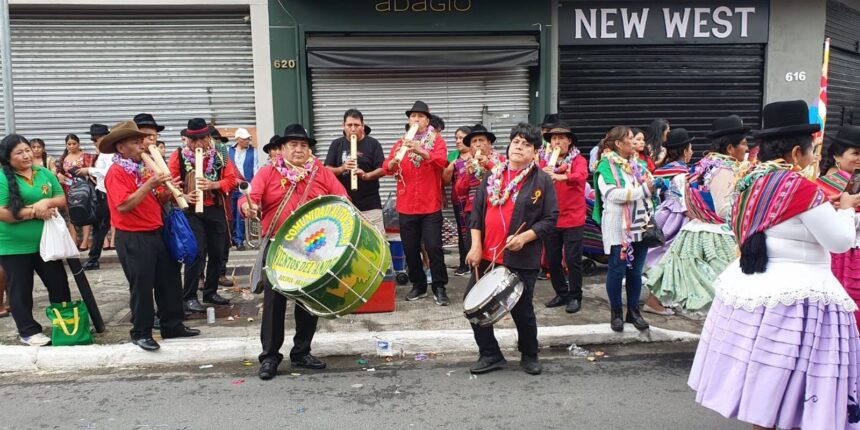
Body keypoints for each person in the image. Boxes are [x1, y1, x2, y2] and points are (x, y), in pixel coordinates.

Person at [689, 100, 860, 430]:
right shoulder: (801, 188)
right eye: (811, 151)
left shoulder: (748, 180)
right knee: (794, 392)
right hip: (798, 299)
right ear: (796, 153)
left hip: (752, 290)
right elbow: (838, 241)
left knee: (764, 390)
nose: (812, 158)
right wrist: (846, 209)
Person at [239, 124, 347, 380]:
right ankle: (269, 357)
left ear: (309, 149)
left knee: (309, 302)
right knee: (274, 304)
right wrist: (247, 207)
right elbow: (248, 198)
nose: (299, 149)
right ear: (283, 149)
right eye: (293, 145)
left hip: (312, 249)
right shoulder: (268, 172)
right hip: (278, 246)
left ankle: (301, 352)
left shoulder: (320, 172)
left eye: (303, 145)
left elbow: (342, 199)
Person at [464, 123, 558, 375]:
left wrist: (525, 237)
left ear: (535, 151)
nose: (519, 147)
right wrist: (474, 246)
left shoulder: (542, 180)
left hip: (520, 256)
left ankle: (529, 354)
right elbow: (477, 214)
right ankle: (491, 354)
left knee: (521, 308)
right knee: (473, 305)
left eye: (527, 144)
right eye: (516, 141)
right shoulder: (492, 175)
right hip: (486, 255)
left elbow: (550, 219)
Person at [101, 121, 200, 351]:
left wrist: (168, 190)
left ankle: (172, 325)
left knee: (170, 280)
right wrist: (149, 184)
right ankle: (141, 332)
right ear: (121, 148)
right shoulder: (116, 172)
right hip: (133, 237)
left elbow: (157, 200)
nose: (142, 146)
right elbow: (124, 205)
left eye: (141, 141)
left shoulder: (142, 168)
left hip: (156, 231)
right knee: (142, 286)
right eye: (135, 142)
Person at [645, 116, 750, 314]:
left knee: (675, 267)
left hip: (695, 227)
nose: (746, 148)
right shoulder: (724, 169)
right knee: (725, 279)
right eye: (744, 144)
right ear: (729, 148)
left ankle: (654, 302)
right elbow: (724, 209)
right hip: (716, 234)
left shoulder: (704, 164)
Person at [0, 134, 71, 346]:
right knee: (21, 289)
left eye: (27, 150)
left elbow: (61, 199)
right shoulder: (3, 177)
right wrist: (34, 212)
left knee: (59, 283)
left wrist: (47, 201)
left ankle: (66, 324)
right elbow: (2, 212)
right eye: (19, 153)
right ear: (7, 157)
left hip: (46, 243)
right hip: (14, 246)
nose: (26, 155)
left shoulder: (44, 173)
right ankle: (28, 330)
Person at [168, 118, 238, 312]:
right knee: (196, 252)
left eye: (202, 138)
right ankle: (189, 296)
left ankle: (211, 292)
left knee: (217, 252)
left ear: (208, 137)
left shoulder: (221, 154)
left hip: (215, 208)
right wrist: (182, 195)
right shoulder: (178, 156)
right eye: (194, 139)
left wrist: (214, 185)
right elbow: (170, 185)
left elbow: (232, 180)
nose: (198, 143)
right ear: (188, 140)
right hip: (191, 211)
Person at [383, 101, 449, 305]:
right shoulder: (401, 142)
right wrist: (392, 163)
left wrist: (421, 150)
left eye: (420, 117)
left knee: (433, 247)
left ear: (427, 120)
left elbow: (441, 162)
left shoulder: (437, 140)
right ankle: (418, 285)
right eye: (413, 117)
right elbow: (387, 168)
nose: (416, 120)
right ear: (409, 120)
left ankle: (439, 286)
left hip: (430, 205)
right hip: (407, 205)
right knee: (410, 248)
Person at [592, 126, 654, 332]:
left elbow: (648, 188)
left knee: (636, 272)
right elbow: (612, 194)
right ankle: (616, 312)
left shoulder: (636, 165)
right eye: (630, 139)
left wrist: (653, 186)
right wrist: (643, 190)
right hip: (618, 227)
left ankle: (634, 312)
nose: (636, 143)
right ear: (619, 144)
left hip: (640, 225)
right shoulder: (605, 166)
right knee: (617, 271)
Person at [539, 124, 587, 314]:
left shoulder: (578, 160)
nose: (556, 142)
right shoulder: (545, 161)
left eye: (561, 138)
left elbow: (582, 176)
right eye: (553, 139)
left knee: (573, 259)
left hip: (573, 217)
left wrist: (561, 176)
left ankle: (575, 296)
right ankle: (561, 293)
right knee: (552, 258)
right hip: (551, 217)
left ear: (569, 141)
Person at [817, 125, 860, 325]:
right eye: (856, 153)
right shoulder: (824, 185)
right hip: (836, 254)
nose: (859, 159)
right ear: (837, 156)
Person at [324, 109, 386, 234]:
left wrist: (366, 175)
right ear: (343, 126)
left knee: (377, 242)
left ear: (363, 126)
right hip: (344, 205)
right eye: (349, 125)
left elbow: (382, 169)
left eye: (356, 125)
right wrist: (342, 168)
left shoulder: (373, 144)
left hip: (370, 206)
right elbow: (326, 171)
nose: (353, 129)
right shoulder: (336, 144)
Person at [454, 125, 505, 261]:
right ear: (470, 147)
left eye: (481, 140)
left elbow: (506, 179)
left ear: (489, 143)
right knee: (473, 247)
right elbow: (459, 190)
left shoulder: (500, 160)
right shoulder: (466, 163)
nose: (478, 145)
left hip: (495, 209)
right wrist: (467, 173)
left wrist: (488, 164)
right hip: (473, 211)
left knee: (494, 248)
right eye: (474, 141)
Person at [56, 133, 95, 250]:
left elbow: (91, 171)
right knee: (70, 213)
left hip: (82, 188)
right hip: (68, 189)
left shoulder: (85, 156)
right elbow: (58, 171)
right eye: (69, 144)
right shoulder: (63, 158)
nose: (72, 146)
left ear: (79, 144)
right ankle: (74, 238)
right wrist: (59, 174)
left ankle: (85, 240)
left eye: (74, 143)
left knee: (84, 212)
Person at [442, 126, 472, 276]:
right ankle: (464, 264)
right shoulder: (453, 158)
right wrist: (449, 168)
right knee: (463, 232)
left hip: (475, 201)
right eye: (456, 138)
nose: (458, 141)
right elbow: (445, 181)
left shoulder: (477, 156)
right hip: (458, 201)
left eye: (462, 138)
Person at [229, 128, 258, 250]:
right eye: (245, 139)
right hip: (232, 186)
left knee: (241, 213)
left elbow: (255, 168)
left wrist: (255, 185)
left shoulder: (253, 152)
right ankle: (233, 238)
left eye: (248, 139)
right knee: (231, 213)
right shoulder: (228, 151)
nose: (247, 141)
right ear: (238, 140)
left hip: (246, 187)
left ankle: (240, 239)